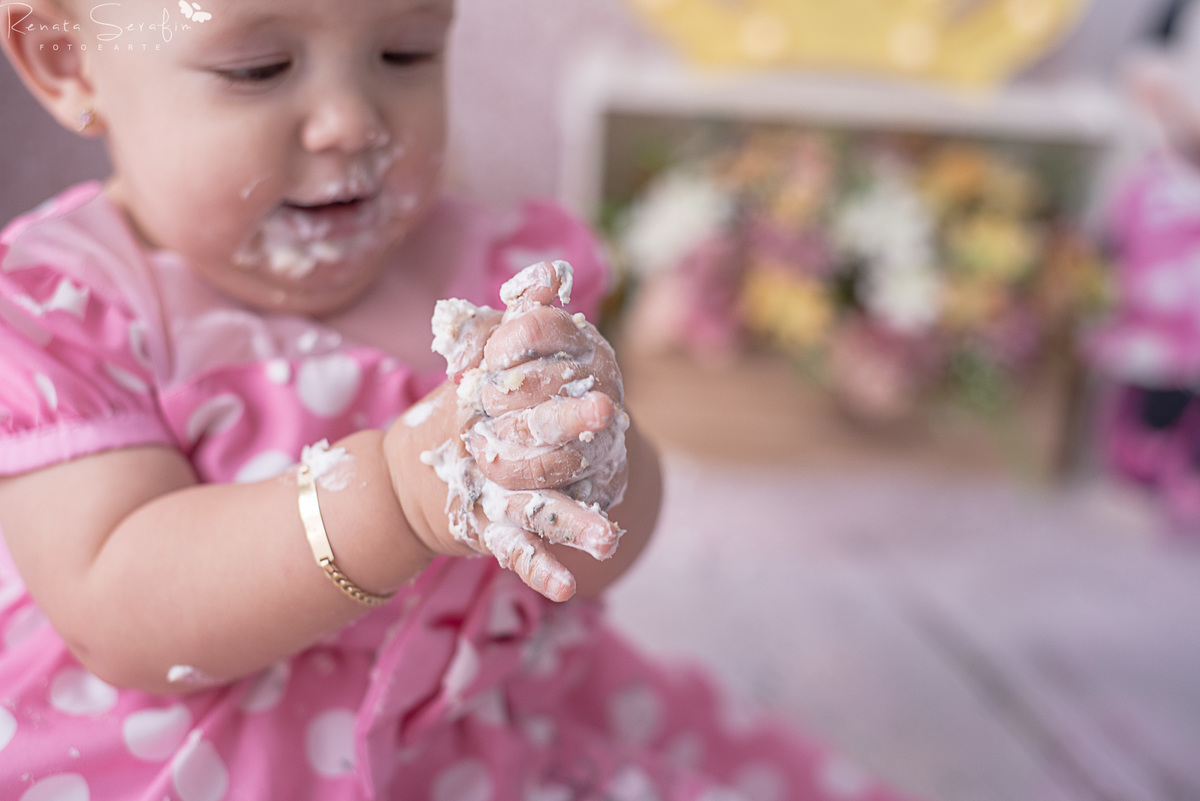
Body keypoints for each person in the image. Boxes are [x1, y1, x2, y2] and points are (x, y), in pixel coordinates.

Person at [0, 0, 917, 798]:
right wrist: (398, 496)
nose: (353, 120)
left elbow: (601, 556)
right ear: (66, 59)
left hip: (490, 725)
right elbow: (118, 608)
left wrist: (593, 462)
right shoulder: (64, 309)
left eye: (406, 52)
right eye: (259, 67)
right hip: (204, 759)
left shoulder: (492, 277)